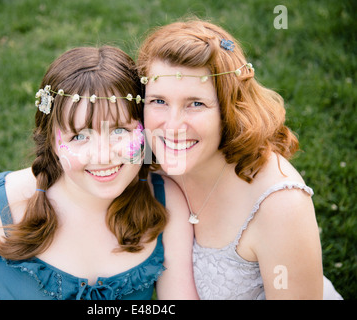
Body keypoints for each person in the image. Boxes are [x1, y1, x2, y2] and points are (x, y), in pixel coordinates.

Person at [0, 46, 198, 300]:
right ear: (52, 143)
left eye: (119, 131)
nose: (102, 155)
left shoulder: (165, 201)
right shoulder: (2, 204)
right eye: (79, 137)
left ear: (145, 127)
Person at [137, 18, 342, 299]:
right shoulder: (148, 158)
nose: (172, 126)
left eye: (195, 104)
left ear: (229, 109)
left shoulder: (280, 204)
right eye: (158, 101)